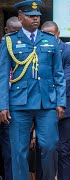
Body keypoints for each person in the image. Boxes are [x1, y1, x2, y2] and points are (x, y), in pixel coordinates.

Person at [0, 1, 66, 179]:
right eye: (30, 16)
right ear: (20, 18)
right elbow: (3, 75)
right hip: (19, 102)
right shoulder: (9, 41)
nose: (35, 19)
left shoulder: (50, 40)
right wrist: (3, 105)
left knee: (50, 146)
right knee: (19, 151)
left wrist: (61, 101)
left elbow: (58, 73)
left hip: (46, 102)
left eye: (37, 16)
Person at [40, 21, 70, 180]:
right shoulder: (37, 51)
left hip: (68, 108)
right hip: (42, 106)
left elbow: (65, 80)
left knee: (63, 150)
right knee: (45, 148)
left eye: (51, 34)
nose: (48, 38)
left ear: (58, 34)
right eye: (45, 35)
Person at [0, 16, 21, 180]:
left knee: (10, 151)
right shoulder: (3, 48)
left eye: (18, 32)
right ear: (6, 31)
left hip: (12, 109)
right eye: (12, 32)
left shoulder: (24, 51)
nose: (15, 35)